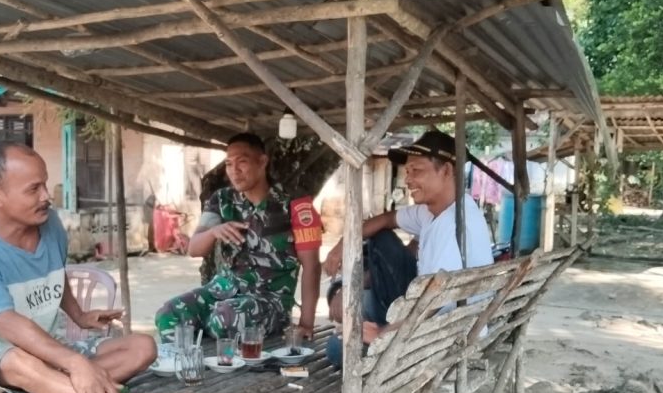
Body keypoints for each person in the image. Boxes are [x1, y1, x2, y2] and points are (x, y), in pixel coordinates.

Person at [0, 140, 197, 393]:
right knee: (17, 361)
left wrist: (79, 315)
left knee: (142, 347)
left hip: (46, 354)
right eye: (33, 189)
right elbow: (9, 324)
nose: (46, 196)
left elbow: (54, 271)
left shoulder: (49, 224)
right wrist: (75, 363)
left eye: (45, 184)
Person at [323, 129, 494, 362]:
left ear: (446, 170)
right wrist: (342, 246)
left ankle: (367, 317)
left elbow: (433, 305)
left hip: (443, 338)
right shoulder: (433, 212)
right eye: (407, 172)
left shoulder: (455, 225)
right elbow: (386, 219)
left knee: (337, 348)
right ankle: (359, 307)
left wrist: (383, 334)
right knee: (381, 238)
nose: (407, 179)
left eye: (417, 171)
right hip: (428, 321)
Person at [155, 133, 322, 341]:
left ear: (262, 162)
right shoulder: (222, 200)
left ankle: (211, 341)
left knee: (224, 318)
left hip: (269, 301)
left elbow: (312, 266)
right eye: (228, 164)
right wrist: (214, 232)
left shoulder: (295, 205)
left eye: (242, 162)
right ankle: (190, 358)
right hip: (221, 292)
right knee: (168, 315)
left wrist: (306, 324)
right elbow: (194, 249)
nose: (234, 170)